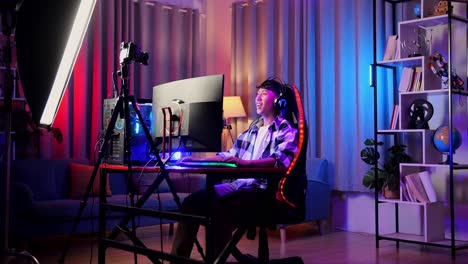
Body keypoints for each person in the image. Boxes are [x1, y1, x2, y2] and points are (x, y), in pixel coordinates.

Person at [170, 77, 300, 263]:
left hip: (263, 191)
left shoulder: (287, 130)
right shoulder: (251, 131)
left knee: (220, 207)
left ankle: (216, 260)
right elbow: (228, 155)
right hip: (239, 185)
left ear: (278, 101)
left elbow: (280, 162)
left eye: (263, 94)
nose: (257, 98)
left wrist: (244, 164)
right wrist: (196, 160)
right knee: (192, 202)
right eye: (257, 94)